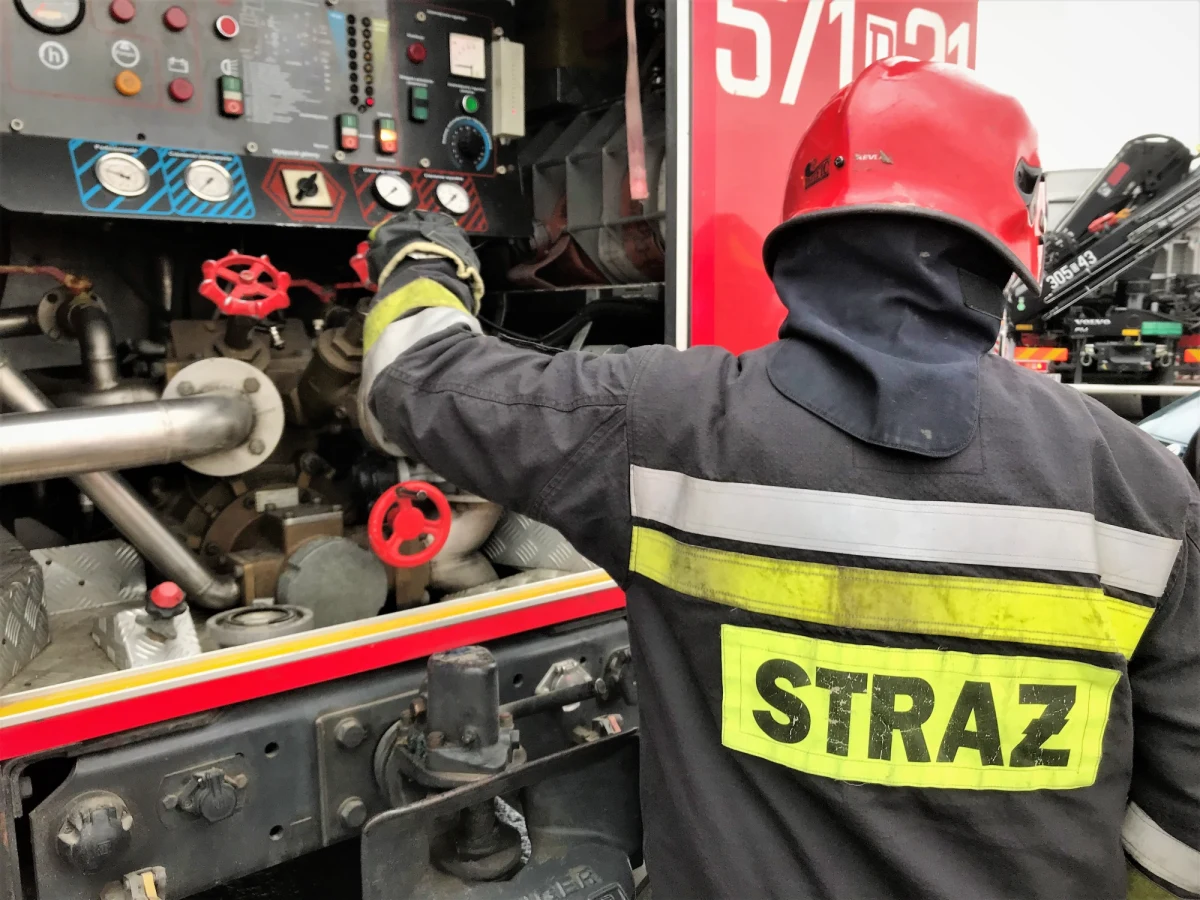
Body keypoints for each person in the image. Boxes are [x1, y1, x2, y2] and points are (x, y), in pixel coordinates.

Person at [358, 58, 1199, 900]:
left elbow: (414, 379)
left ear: (804, 232)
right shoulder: (1146, 493)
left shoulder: (661, 422)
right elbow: (1182, 833)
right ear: (1011, 243)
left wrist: (420, 256)